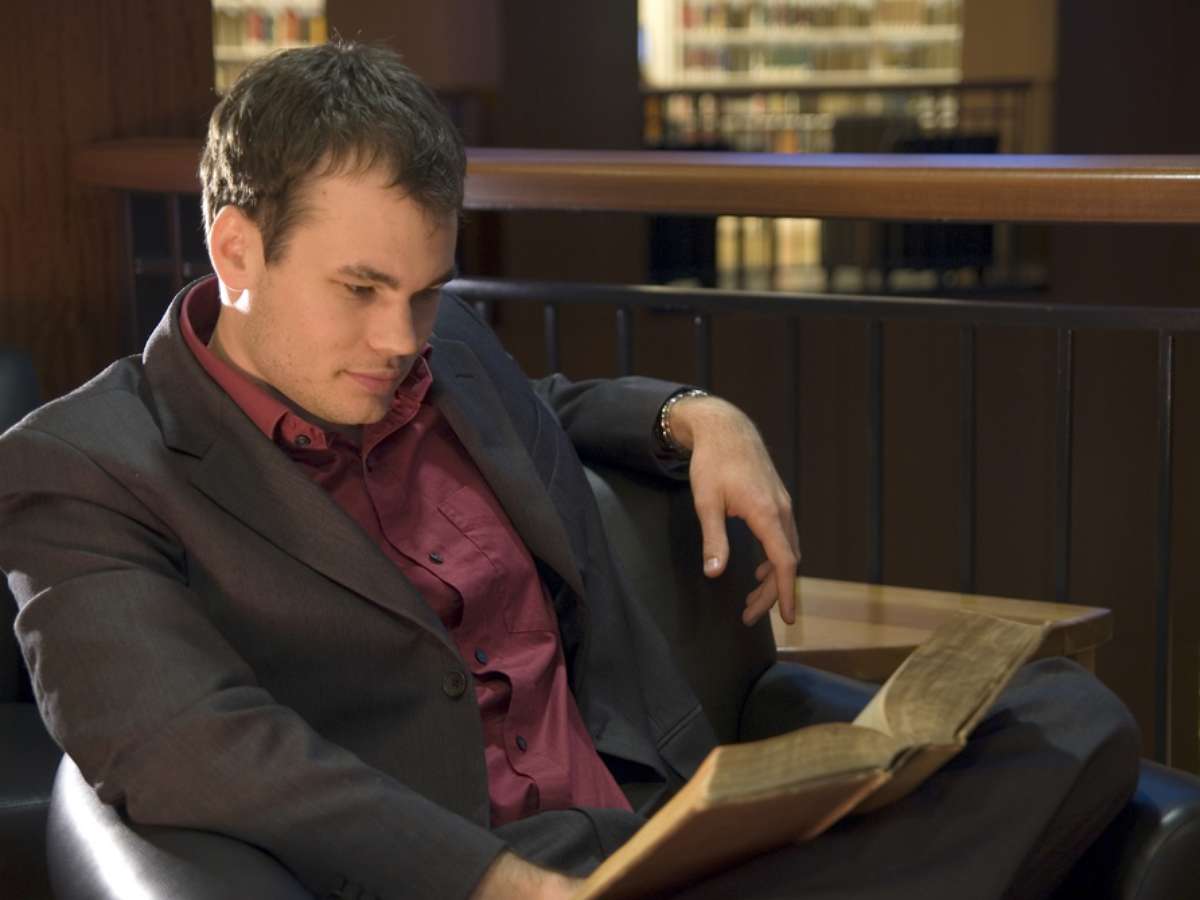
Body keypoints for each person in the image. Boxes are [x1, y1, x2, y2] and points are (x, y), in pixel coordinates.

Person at [0, 43, 1136, 900]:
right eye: (361, 290)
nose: (401, 339)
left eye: (426, 293)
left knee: (1068, 717)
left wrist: (696, 415)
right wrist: (498, 883)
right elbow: (191, 744)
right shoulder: (79, 470)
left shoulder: (441, 350)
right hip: (474, 864)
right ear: (236, 252)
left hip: (664, 820)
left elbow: (544, 405)